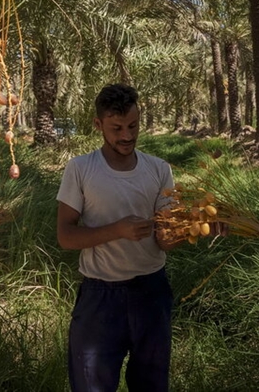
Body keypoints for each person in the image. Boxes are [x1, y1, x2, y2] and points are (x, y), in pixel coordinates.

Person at [56, 83, 222, 392]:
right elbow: (65, 236)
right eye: (116, 128)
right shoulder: (80, 169)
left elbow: (164, 240)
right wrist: (116, 230)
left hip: (151, 292)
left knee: (152, 384)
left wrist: (199, 227)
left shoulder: (158, 169)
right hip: (99, 298)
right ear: (98, 125)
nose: (127, 135)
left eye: (133, 125)